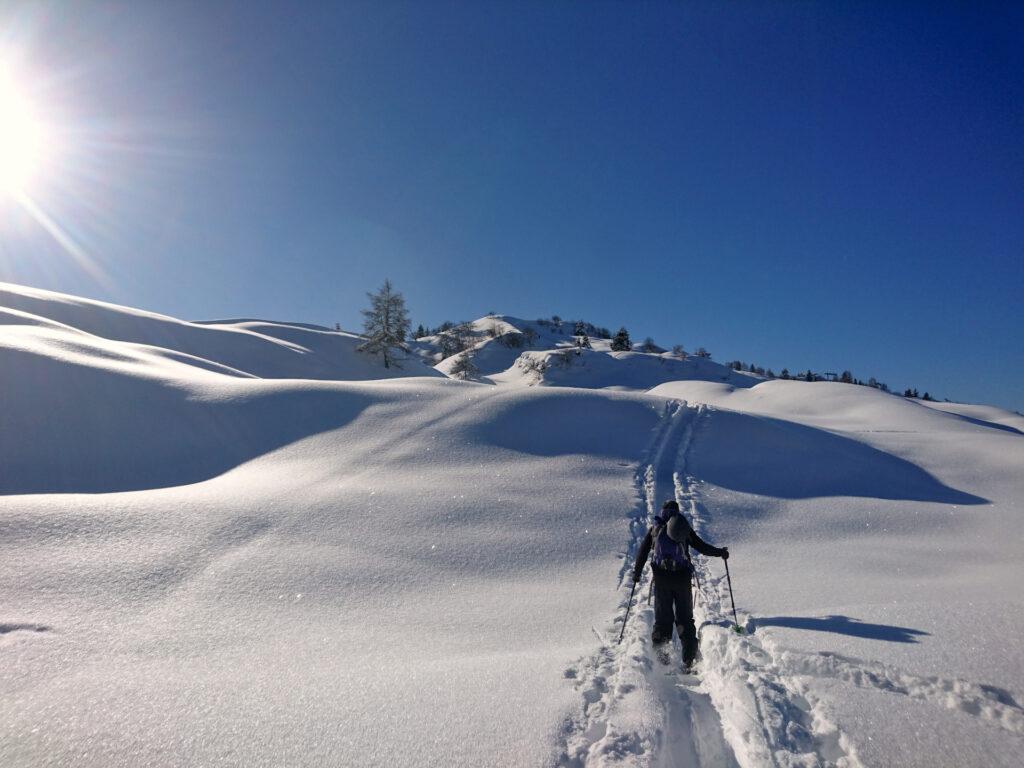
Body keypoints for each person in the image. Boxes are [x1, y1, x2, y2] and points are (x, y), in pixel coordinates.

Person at [632, 499, 728, 668]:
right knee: (684, 618)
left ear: (663, 511)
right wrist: (720, 552)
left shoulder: (655, 528)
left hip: (661, 580)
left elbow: (643, 552)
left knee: (662, 620)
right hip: (682, 580)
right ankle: (689, 659)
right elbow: (702, 546)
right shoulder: (682, 527)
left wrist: (637, 574)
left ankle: (662, 661)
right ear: (676, 511)